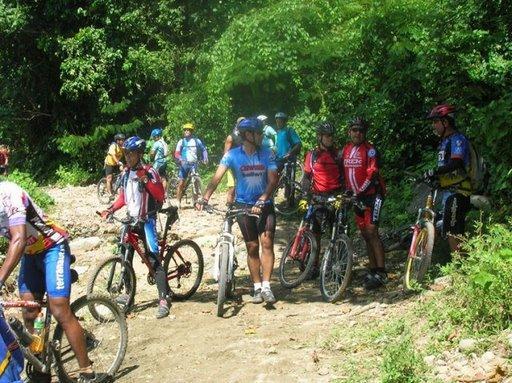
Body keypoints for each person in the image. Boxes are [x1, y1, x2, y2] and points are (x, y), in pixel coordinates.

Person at [0, 180, 98, 382]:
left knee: (59, 309)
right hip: (30, 253)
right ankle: (40, 366)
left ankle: (87, 369)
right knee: (29, 312)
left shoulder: (8, 193)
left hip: (52, 247)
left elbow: (18, 238)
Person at [196, 118, 279, 304]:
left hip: (265, 204)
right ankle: (257, 287)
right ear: (248, 135)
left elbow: (273, 179)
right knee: (252, 246)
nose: (262, 137)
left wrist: (264, 198)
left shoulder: (268, 154)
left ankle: (267, 286)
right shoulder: (232, 155)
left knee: (267, 243)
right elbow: (217, 177)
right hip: (243, 205)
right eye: (259, 133)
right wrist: (205, 197)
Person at [99, 136, 169, 318]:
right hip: (131, 220)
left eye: (131, 154)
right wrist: (110, 209)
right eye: (126, 154)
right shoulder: (125, 174)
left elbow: (160, 195)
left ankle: (164, 298)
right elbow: (123, 198)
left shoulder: (149, 171)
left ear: (139, 154)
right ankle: (128, 295)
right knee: (125, 256)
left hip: (147, 221)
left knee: (153, 258)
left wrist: (145, 180)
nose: (128, 157)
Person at [342, 117, 387, 289]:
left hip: (373, 195)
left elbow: (372, 174)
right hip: (356, 198)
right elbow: (344, 173)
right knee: (365, 234)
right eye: (354, 130)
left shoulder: (370, 150)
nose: (357, 133)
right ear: (349, 132)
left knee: (372, 231)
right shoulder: (346, 150)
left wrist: (359, 192)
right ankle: (373, 268)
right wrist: (347, 192)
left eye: (361, 130)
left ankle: (381, 272)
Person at [424, 104, 471, 253]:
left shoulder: (457, 139)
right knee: (446, 227)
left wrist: (434, 171)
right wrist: (437, 178)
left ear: (446, 122)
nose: (433, 125)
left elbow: (456, 163)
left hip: (459, 191)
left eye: (436, 121)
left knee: (453, 231)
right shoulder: (444, 141)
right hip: (448, 191)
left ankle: (460, 270)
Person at [300, 122, 344, 277]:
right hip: (318, 198)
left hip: (335, 196)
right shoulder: (312, 155)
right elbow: (306, 177)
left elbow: (345, 177)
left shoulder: (339, 155)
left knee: (338, 232)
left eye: (331, 136)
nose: (330, 138)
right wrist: (305, 196)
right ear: (320, 137)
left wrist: (344, 195)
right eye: (327, 136)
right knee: (315, 233)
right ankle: (314, 266)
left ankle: (338, 265)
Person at [174, 123, 208, 208]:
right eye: (185, 130)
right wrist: (180, 159)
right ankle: (178, 201)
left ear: (191, 131)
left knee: (195, 183)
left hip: (194, 164)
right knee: (181, 182)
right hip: (184, 164)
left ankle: (196, 202)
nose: (186, 131)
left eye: (188, 130)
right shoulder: (181, 141)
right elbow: (177, 153)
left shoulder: (197, 141)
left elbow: (203, 149)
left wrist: (205, 158)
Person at [223, 117, 244, 204]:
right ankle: (229, 209)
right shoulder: (231, 137)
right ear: (237, 124)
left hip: (244, 165)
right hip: (232, 166)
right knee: (232, 188)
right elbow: (226, 154)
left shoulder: (247, 137)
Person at [104, 133, 125, 199]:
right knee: (109, 178)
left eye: (123, 140)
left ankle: (117, 187)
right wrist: (118, 162)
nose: (123, 141)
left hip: (116, 163)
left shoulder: (122, 147)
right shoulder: (113, 146)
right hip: (109, 163)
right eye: (121, 140)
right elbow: (113, 155)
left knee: (123, 171)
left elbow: (126, 153)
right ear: (117, 141)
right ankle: (109, 194)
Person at [149, 127, 169, 193]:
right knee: (163, 177)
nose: (153, 138)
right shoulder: (164, 143)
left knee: (153, 176)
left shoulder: (156, 143)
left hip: (158, 162)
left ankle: (156, 192)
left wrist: (151, 159)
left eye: (153, 137)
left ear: (155, 136)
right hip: (164, 162)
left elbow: (152, 153)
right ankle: (164, 193)